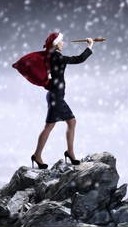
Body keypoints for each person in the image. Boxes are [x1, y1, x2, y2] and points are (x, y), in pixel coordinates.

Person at [31, 32, 94, 169]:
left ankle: (60, 153)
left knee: (60, 124)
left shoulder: (53, 55)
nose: (63, 43)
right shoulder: (56, 56)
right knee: (64, 123)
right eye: (61, 41)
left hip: (55, 95)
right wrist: (89, 46)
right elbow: (77, 59)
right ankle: (48, 154)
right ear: (56, 44)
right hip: (56, 97)